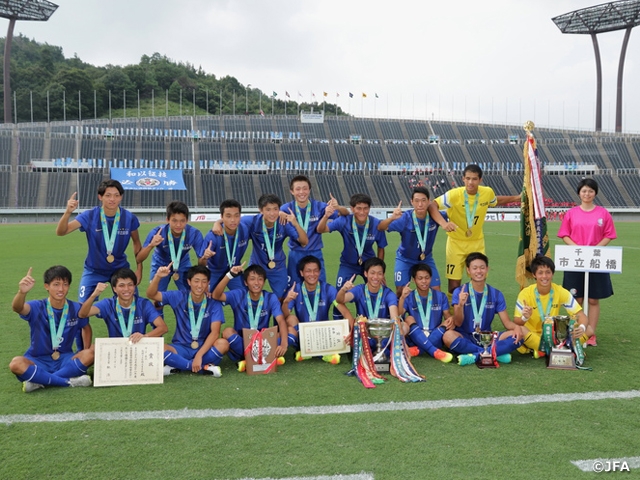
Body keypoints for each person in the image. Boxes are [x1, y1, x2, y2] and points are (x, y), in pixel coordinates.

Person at [435, 164, 519, 295]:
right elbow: (432, 205)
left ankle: (476, 310)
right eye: (467, 178)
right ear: (463, 179)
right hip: (455, 243)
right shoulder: (453, 195)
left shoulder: (487, 193)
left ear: (480, 180)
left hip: (477, 243)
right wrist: (443, 223)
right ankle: (454, 313)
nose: (470, 182)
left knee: (479, 280)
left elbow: (495, 201)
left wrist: (517, 198)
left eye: (474, 179)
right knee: (453, 283)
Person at [9, 266, 94, 393]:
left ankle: (40, 381)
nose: (61, 289)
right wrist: (22, 292)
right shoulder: (37, 306)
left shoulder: (76, 308)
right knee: (15, 364)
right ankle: (68, 382)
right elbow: (18, 308)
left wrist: (83, 350)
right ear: (46, 286)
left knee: (92, 353)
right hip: (37, 359)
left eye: (65, 284)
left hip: (65, 359)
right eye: (56, 284)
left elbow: (86, 328)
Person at [56, 180, 142, 304]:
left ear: (121, 197)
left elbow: (137, 243)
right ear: (100, 197)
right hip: (93, 270)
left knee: (133, 305)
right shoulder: (89, 216)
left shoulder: (129, 218)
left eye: (116, 195)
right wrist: (68, 212)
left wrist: (139, 269)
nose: (112, 199)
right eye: (108, 195)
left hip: (120, 269)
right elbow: (61, 232)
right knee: (82, 309)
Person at [557, 178, 616, 346]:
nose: (587, 194)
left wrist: (594, 250)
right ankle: (576, 332)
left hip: (597, 260)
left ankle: (590, 334)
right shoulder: (571, 213)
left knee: (593, 300)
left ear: (595, 193)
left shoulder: (603, 213)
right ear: (579, 193)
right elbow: (564, 234)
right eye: (584, 191)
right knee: (577, 299)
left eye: (590, 191)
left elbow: (609, 235)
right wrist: (579, 249)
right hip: (575, 259)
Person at [146, 265, 228, 377]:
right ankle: (203, 368)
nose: (200, 285)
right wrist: (158, 276)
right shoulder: (178, 296)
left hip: (204, 348)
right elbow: (151, 294)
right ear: (189, 282)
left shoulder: (213, 303)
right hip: (180, 347)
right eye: (196, 281)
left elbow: (215, 333)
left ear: (208, 282)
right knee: (158, 348)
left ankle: (178, 365)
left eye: (204, 281)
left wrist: (199, 355)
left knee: (223, 344)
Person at [446, 252, 523, 366]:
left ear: (487, 269)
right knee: (448, 336)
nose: (479, 271)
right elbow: (457, 322)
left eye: (482, 268)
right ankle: (493, 354)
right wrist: (460, 305)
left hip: (487, 337)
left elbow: (507, 323)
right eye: (475, 268)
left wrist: (517, 327)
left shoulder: (496, 294)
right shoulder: (460, 291)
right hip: (465, 336)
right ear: (468, 270)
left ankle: (475, 356)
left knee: (518, 335)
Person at [377, 186, 456, 297]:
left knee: (436, 290)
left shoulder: (436, 217)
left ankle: (432, 314)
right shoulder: (405, 218)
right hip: (405, 259)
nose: (420, 204)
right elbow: (380, 227)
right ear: (412, 202)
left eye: (423, 201)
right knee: (400, 290)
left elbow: (455, 213)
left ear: (429, 201)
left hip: (426, 259)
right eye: (417, 201)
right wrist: (392, 218)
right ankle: (400, 314)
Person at [212, 264, 288, 371]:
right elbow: (216, 295)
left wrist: (284, 344)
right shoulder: (238, 294)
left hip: (263, 341)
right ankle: (263, 358)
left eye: (260, 279)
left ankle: (249, 361)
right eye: (252, 279)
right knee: (227, 332)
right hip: (242, 341)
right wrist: (229, 275)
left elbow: (280, 320)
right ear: (245, 282)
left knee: (289, 334)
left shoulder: (271, 297)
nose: (256, 283)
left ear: (264, 282)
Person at [281, 255, 354, 364]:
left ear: (319, 272)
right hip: (304, 335)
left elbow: (344, 311)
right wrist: (286, 301)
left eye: (315, 271)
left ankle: (306, 352)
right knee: (291, 319)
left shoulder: (328, 289)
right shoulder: (295, 290)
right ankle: (323, 353)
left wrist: (353, 332)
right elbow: (285, 315)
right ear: (301, 273)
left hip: (323, 335)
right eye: (308, 271)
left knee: (342, 326)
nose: (312, 274)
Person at [514, 255, 591, 357]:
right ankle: (562, 349)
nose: (544, 276)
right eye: (540, 273)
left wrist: (581, 327)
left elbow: (581, 315)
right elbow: (517, 322)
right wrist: (525, 317)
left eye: (548, 272)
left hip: (553, 335)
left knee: (589, 329)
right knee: (520, 330)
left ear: (552, 274)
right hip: (533, 334)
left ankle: (542, 350)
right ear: (534, 275)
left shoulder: (560, 291)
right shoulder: (525, 293)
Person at [281, 175, 349, 285]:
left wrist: (338, 207)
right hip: (295, 253)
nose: (302, 192)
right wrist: (279, 213)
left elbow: (345, 214)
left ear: (309, 190)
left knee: (320, 286)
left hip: (315, 252)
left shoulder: (319, 206)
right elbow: (270, 215)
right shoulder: (286, 208)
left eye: (305, 188)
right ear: (292, 191)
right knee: (293, 287)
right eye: (298, 189)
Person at [243, 194, 308, 299]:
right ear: (261, 210)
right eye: (268, 209)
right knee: (251, 296)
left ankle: (278, 315)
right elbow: (232, 221)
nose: (272, 213)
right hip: (257, 265)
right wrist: (218, 222)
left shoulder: (283, 223)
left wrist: (295, 224)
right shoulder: (253, 221)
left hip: (277, 266)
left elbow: (304, 242)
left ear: (279, 209)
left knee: (281, 297)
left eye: (275, 209)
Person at [317, 193, 388, 288]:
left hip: (369, 264)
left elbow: (381, 247)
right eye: (359, 208)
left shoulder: (376, 224)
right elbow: (321, 229)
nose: (362, 212)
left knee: (378, 290)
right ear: (352, 209)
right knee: (340, 292)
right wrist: (326, 216)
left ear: (369, 208)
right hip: (348, 263)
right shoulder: (344, 221)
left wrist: (379, 269)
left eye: (365, 208)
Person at [79, 268, 168, 341]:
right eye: (121, 285)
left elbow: (163, 327)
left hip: (138, 345)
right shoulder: (108, 304)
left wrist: (145, 336)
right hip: (116, 349)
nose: (126, 289)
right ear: (114, 289)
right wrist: (94, 295)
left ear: (134, 286)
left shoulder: (144, 304)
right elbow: (83, 314)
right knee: (92, 351)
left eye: (130, 285)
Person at [136, 200, 208, 292]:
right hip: (160, 263)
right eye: (174, 220)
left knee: (190, 294)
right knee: (157, 301)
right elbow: (139, 259)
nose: (178, 225)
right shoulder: (157, 232)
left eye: (182, 221)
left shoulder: (194, 234)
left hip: (182, 262)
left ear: (187, 220)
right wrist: (151, 245)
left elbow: (202, 263)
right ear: (167, 220)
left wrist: (205, 257)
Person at [397, 263, 453, 363]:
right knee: (408, 319)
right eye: (420, 278)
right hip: (415, 338)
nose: (424, 281)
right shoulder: (409, 296)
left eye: (427, 278)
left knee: (447, 322)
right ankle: (434, 351)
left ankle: (418, 350)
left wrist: (450, 320)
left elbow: (447, 316)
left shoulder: (441, 296)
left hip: (436, 336)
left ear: (431, 278)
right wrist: (402, 298)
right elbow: (399, 314)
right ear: (414, 280)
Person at [203, 199, 251, 292]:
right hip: (214, 272)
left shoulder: (245, 228)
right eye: (228, 216)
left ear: (240, 216)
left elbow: (264, 216)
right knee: (208, 300)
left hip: (235, 269)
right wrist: (205, 257)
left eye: (236, 216)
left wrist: (281, 213)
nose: (233, 220)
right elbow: (201, 263)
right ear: (222, 217)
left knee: (244, 297)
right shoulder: (213, 236)